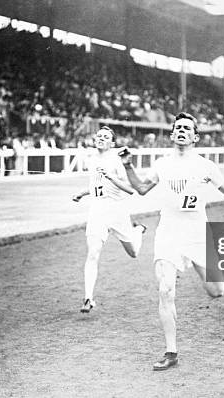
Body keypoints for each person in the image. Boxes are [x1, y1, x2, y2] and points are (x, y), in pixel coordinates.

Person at [120, 112, 224, 371]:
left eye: (187, 128)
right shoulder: (162, 164)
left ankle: (204, 266)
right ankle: (171, 352)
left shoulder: (206, 167)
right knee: (165, 289)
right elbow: (140, 188)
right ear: (172, 134)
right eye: (178, 127)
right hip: (169, 232)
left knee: (217, 291)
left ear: (195, 136)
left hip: (196, 233)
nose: (182, 130)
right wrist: (128, 166)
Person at [72, 126, 146, 313]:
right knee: (93, 253)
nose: (101, 138)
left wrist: (112, 178)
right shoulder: (92, 159)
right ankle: (88, 298)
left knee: (134, 252)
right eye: (99, 136)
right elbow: (97, 186)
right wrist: (82, 193)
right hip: (97, 210)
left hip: (117, 210)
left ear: (112, 143)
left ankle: (137, 230)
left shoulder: (117, 160)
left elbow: (130, 190)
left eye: (106, 137)